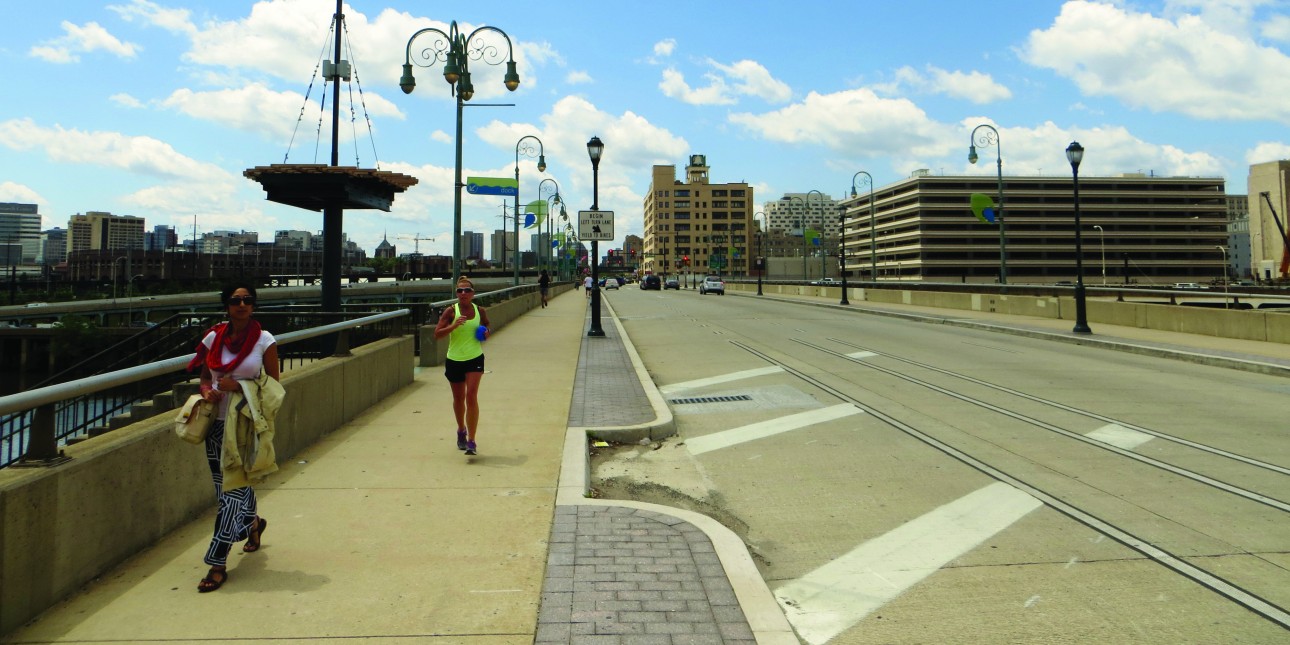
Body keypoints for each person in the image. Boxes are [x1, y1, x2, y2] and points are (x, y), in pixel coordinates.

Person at [189, 282, 284, 593]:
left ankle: (217, 562)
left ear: (254, 305)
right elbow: (206, 376)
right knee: (227, 490)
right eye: (235, 300)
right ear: (226, 305)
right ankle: (253, 523)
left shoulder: (265, 341)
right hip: (215, 426)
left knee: (231, 494)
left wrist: (239, 386)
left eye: (247, 300)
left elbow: (273, 386)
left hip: (245, 427)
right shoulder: (213, 338)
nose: (241, 305)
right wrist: (207, 390)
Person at [434, 277, 491, 456]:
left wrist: (486, 332)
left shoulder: (479, 310)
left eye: (467, 290)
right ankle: (461, 430)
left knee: (471, 396)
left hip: (475, 358)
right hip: (454, 359)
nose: (463, 293)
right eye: (460, 291)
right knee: (459, 399)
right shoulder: (451, 311)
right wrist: (454, 326)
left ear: (473, 293)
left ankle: (472, 441)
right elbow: (437, 334)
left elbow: (487, 325)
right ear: (456, 293)